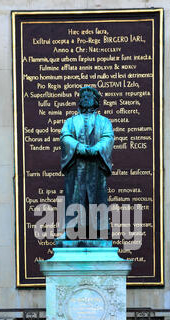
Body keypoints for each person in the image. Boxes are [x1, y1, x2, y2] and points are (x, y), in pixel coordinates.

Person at [60, 86, 114, 239]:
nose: (85, 99)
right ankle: (74, 229)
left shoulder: (104, 121)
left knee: (96, 196)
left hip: (95, 166)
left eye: (88, 96)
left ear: (95, 101)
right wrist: (79, 147)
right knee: (76, 196)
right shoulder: (71, 121)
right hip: (77, 167)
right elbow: (65, 136)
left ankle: (99, 230)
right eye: (82, 96)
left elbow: (108, 137)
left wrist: (97, 148)